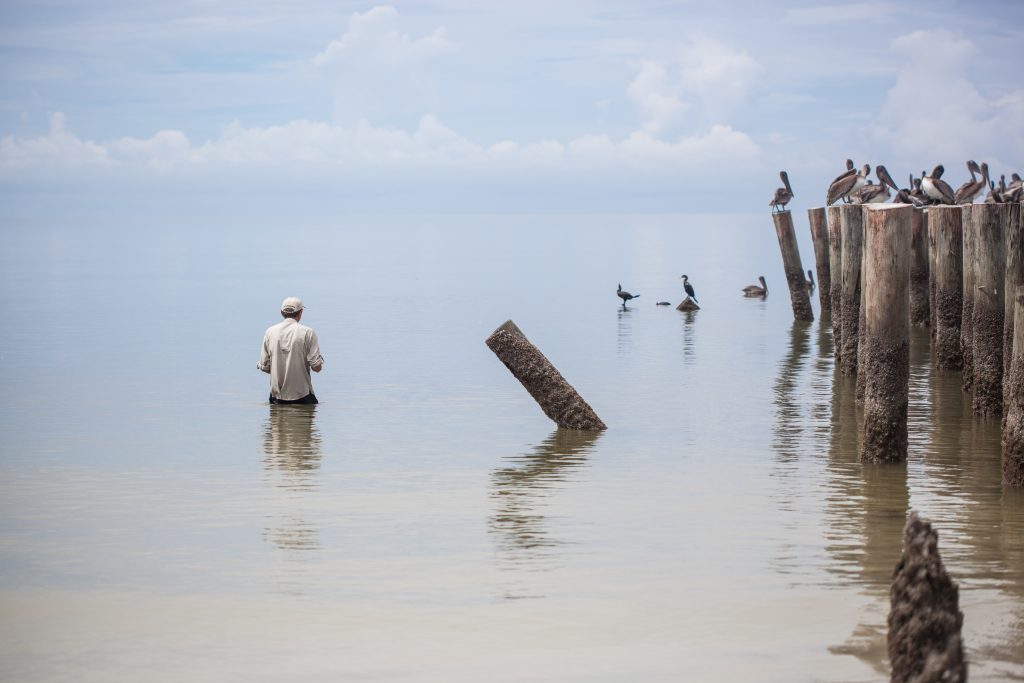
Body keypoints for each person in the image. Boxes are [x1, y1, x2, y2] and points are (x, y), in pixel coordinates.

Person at [258, 297, 324, 404]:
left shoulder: (270, 332)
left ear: (281, 313)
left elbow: (264, 367)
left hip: (276, 397)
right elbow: (317, 368)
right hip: (302, 395)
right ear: (301, 312)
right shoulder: (308, 332)